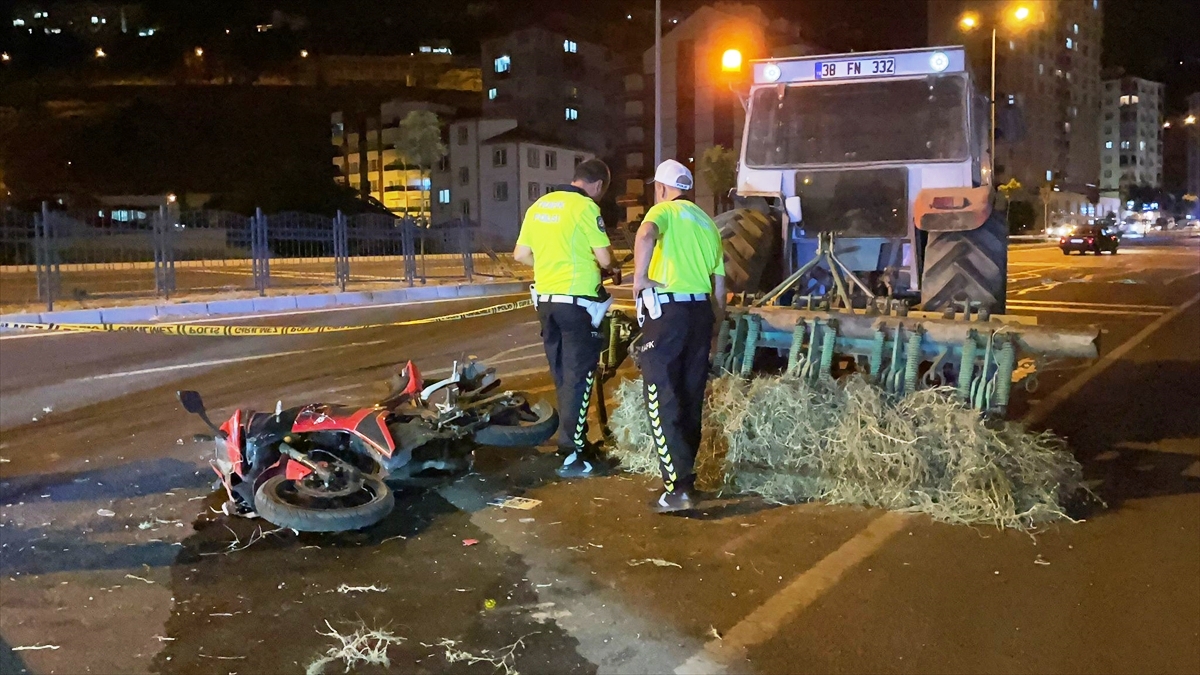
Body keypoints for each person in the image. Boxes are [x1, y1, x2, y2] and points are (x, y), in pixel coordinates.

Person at [513, 159, 618, 478]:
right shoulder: (585, 207)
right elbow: (605, 258)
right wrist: (607, 266)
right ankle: (573, 454)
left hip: (546, 302)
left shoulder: (539, 206)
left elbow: (520, 254)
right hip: (578, 304)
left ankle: (574, 441)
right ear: (597, 185)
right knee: (580, 375)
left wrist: (552, 266)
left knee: (562, 374)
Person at [632, 159, 726, 512]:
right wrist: (714, 328)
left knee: (662, 395)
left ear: (661, 188)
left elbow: (645, 234)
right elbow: (720, 288)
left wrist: (640, 278)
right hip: (701, 312)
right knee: (690, 397)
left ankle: (677, 489)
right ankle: (686, 481)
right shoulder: (708, 224)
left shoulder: (663, 211)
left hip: (668, 314)